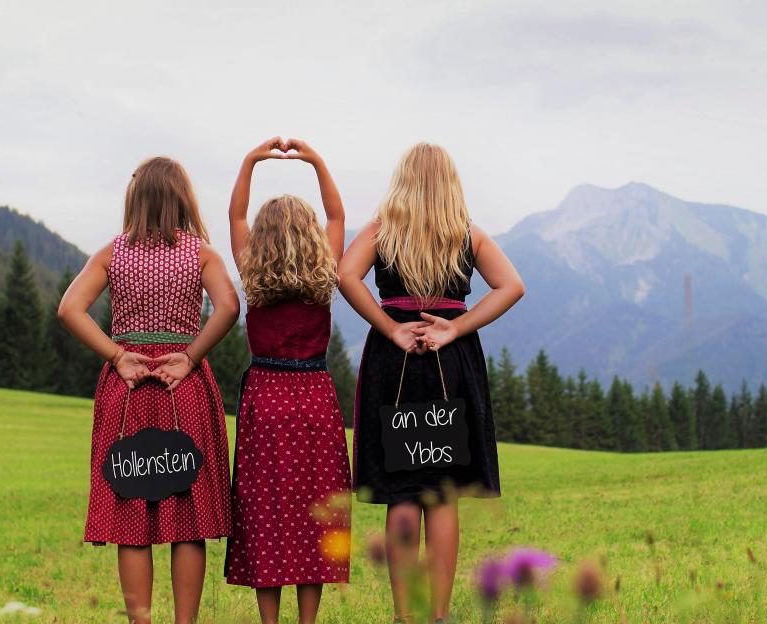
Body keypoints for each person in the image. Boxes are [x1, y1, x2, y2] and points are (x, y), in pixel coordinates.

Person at [338, 142, 524, 624]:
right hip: (451, 362)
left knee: (402, 488)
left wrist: (391, 327)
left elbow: (346, 275)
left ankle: (406, 616)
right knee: (442, 491)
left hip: (394, 360)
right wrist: (456, 327)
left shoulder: (382, 230)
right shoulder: (466, 233)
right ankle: (437, 616)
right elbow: (511, 285)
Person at [57, 156, 239, 624]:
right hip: (185, 386)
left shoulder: (112, 253)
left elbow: (70, 308)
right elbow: (228, 306)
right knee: (189, 515)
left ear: (135, 200)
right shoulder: (200, 253)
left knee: (131, 512)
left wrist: (117, 356)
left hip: (128, 389)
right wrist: (192, 354)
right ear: (183, 198)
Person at [222, 137, 352, 623]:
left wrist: (250, 162)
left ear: (262, 236)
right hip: (315, 396)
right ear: (311, 236)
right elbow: (337, 218)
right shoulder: (325, 271)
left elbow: (236, 218)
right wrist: (317, 161)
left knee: (267, 513)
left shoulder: (252, 269)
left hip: (266, 396)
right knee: (314, 513)